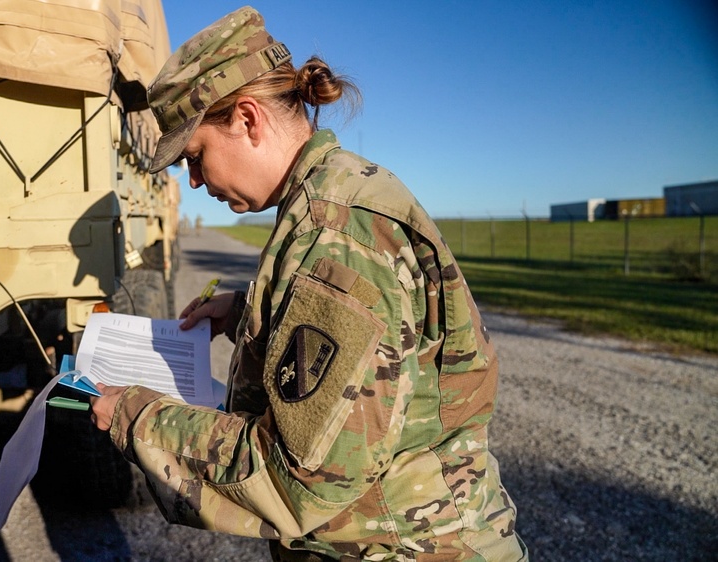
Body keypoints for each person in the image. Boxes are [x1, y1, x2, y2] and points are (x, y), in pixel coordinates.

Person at [91, 6, 528, 560]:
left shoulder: (334, 228)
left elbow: (304, 475)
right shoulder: (327, 197)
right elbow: (386, 338)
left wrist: (137, 417)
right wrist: (254, 311)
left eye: (196, 155)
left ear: (248, 119)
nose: (195, 181)